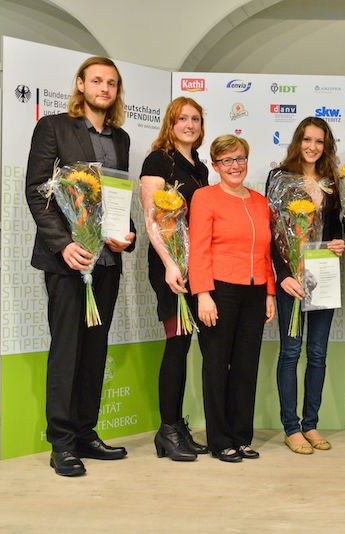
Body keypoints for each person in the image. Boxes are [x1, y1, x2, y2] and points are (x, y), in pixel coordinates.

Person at [24, 56, 136, 476]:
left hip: (107, 262)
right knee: (68, 352)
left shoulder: (121, 138)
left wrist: (127, 236)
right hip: (68, 261)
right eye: (96, 81)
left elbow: (117, 198)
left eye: (111, 83)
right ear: (81, 85)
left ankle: (87, 435)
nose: (104, 88)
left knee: (95, 352)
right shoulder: (54, 127)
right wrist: (64, 244)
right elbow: (38, 191)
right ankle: (62, 445)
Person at [189, 135, 275, 463]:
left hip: (254, 292)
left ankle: (242, 437)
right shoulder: (205, 198)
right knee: (216, 366)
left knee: (245, 367)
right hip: (219, 291)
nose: (234, 166)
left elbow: (265, 250)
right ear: (215, 165)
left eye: (239, 159)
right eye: (226, 161)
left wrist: (269, 292)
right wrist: (203, 294)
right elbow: (198, 248)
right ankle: (220, 439)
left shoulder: (259, 201)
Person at [266, 117, 345, 454]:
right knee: (291, 351)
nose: (313, 147)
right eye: (307, 140)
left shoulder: (331, 181)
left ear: (326, 146)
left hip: (323, 272)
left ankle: (311, 424)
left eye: (320, 142)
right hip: (292, 278)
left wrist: (339, 243)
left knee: (318, 353)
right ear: (298, 141)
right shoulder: (280, 178)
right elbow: (272, 232)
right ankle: (291, 428)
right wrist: (283, 274)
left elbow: (336, 226)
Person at [140, 97, 209, 461]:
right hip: (172, 266)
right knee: (176, 343)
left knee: (184, 345)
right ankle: (167, 431)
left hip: (196, 263)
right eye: (182, 118)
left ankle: (176, 428)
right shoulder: (158, 161)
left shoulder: (200, 167)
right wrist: (170, 264)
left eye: (195, 119)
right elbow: (153, 218)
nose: (189, 124)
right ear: (171, 123)